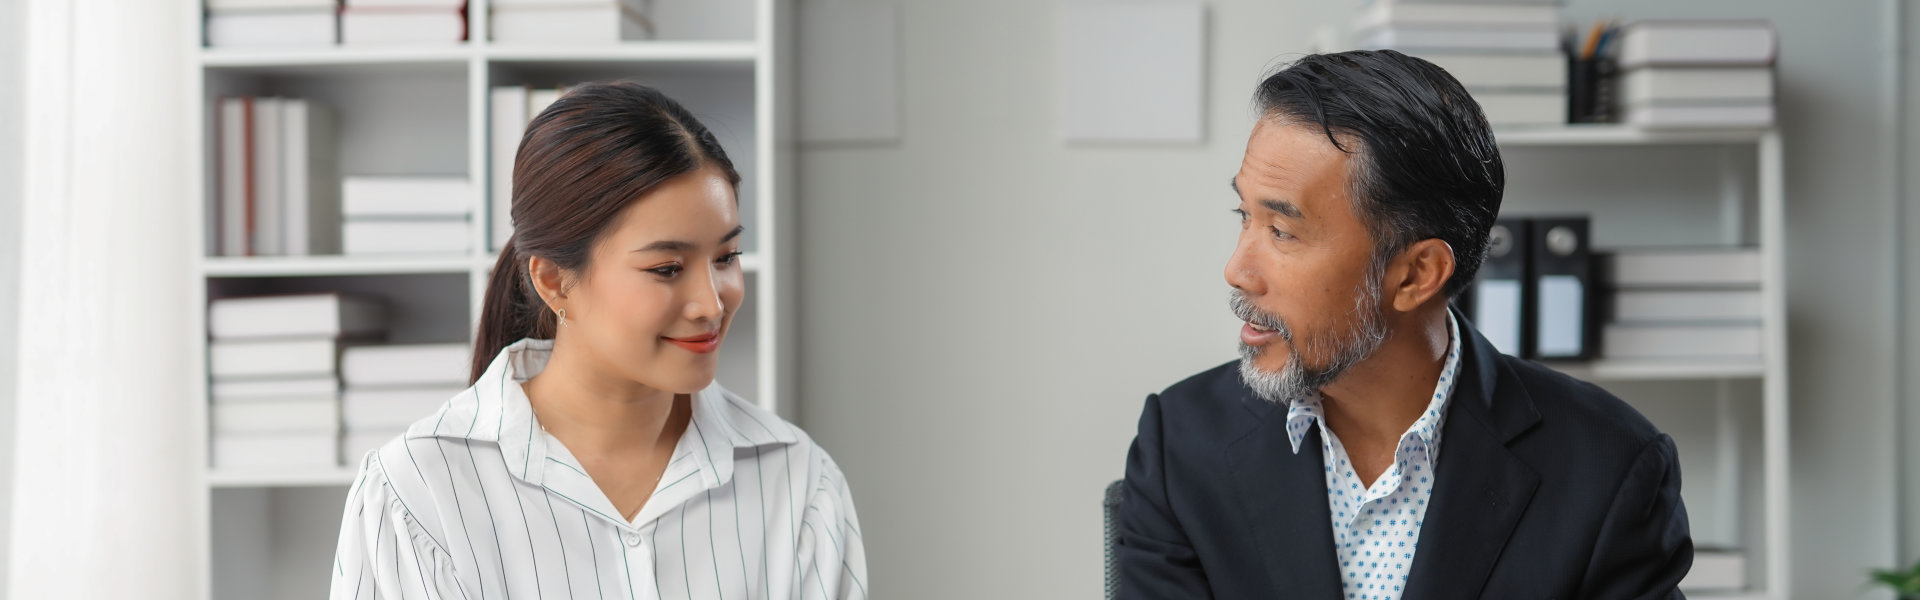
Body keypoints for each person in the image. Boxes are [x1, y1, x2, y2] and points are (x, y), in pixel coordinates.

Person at [1116, 50, 1691, 599]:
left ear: (1417, 273)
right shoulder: (1179, 446)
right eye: (1246, 216)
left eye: (1283, 232)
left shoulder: (1611, 468)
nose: (1237, 270)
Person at [330, 80, 867, 600]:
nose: (712, 302)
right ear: (553, 280)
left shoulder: (799, 484)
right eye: (667, 267)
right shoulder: (417, 497)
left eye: (726, 257)